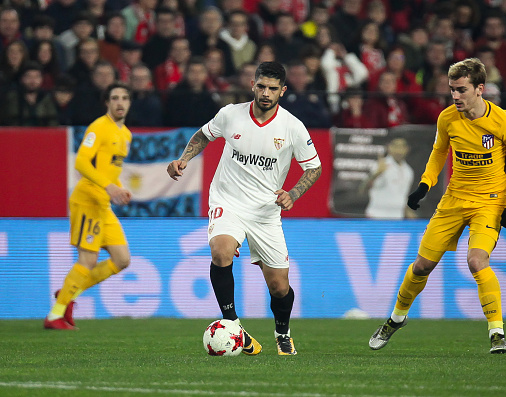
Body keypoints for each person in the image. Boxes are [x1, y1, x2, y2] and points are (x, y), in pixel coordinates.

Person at [368, 58, 506, 354]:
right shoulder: (447, 118)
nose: (455, 96)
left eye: (461, 90)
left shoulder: (503, 122)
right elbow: (438, 153)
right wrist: (424, 184)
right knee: (421, 267)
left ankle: (497, 332)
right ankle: (396, 319)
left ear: (480, 89)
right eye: (451, 90)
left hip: (489, 202)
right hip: (453, 200)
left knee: (476, 261)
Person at [166, 61, 322, 355]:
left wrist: (294, 193)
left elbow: (314, 167)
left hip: (265, 212)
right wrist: (184, 158)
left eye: (272, 89)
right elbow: (202, 135)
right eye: (261, 86)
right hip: (228, 200)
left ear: (283, 91)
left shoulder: (293, 127)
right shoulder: (230, 115)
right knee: (221, 250)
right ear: (253, 85)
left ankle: (282, 333)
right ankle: (233, 324)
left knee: (279, 287)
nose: (265, 93)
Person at [44, 81, 133, 330]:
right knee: (87, 261)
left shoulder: (125, 134)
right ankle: (55, 315)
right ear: (107, 102)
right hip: (86, 200)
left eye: (124, 98)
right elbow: (82, 162)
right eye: (114, 98)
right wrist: (109, 186)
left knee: (122, 259)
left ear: (129, 103)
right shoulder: (99, 127)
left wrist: (118, 187)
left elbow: (109, 169)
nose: (119, 102)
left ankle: (68, 293)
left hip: (102, 204)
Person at [361, 137, 415, 219]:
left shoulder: (408, 171)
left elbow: (402, 197)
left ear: (407, 149)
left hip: (397, 218)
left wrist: (409, 214)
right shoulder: (380, 165)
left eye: (402, 147)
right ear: (389, 147)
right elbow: (363, 190)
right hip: (376, 216)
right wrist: (377, 174)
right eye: (395, 146)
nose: (398, 150)